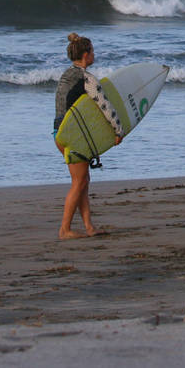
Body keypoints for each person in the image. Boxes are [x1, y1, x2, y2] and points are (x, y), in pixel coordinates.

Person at [53, 32, 115, 240]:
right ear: (86, 54)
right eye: (93, 52)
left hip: (59, 133)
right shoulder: (86, 79)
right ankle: (65, 230)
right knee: (78, 182)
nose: (94, 55)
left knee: (83, 180)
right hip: (74, 137)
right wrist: (118, 131)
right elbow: (105, 105)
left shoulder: (65, 76)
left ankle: (89, 226)